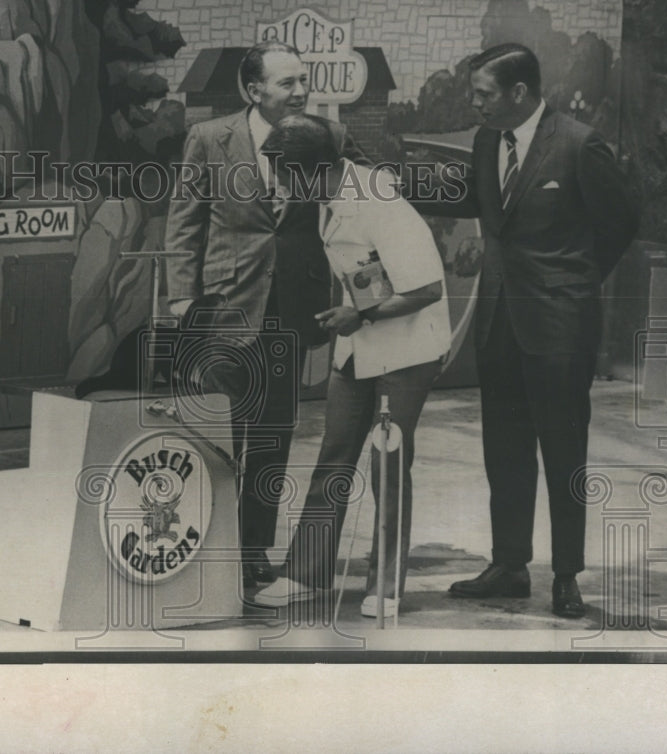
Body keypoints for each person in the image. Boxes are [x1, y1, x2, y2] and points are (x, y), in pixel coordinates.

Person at [429, 43, 638, 617]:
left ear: (519, 93)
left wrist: (573, 282)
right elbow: (496, 219)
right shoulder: (484, 141)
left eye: (483, 93)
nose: (475, 103)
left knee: (564, 452)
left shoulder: (577, 142)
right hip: (497, 322)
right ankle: (509, 566)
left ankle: (566, 576)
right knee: (506, 450)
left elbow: (622, 220)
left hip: (559, 326)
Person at [164, 40, 369, 591]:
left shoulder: (329, 136)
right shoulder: (211, 138)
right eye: (287, 83)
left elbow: (368, 197)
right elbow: (185, 221)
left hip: (292, 311)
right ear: (254, 91)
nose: (301, 91)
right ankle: (211, 548)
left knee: (272, 437)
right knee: (219, 436)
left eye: (303, 80)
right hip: (225, 306)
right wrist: (183, 297)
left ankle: (253, 550)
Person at [252, 114, 451, 616]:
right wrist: (355, 315)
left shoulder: (381, 202)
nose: (279, 186)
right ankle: (306, 572)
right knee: (335, 453)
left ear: (313, 171)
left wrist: (355, 313)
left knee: (387, 461)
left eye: (284, 176)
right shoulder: (327, 195)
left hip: (408, 347)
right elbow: (367, 271)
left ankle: (385, 585)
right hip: (361, 340)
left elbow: (425, 289)